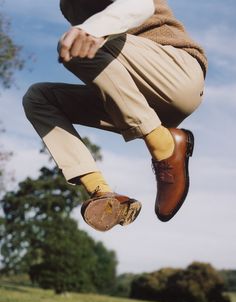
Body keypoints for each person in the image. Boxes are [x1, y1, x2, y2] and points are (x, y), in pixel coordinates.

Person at [23, 0, 207, 232]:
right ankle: (101, 191)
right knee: (38, 97)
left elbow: (140, 5)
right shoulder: (67, 5)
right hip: (140, 102)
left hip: (177, 75)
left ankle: (164, 146)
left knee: (81, 44)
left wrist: (92, 30)